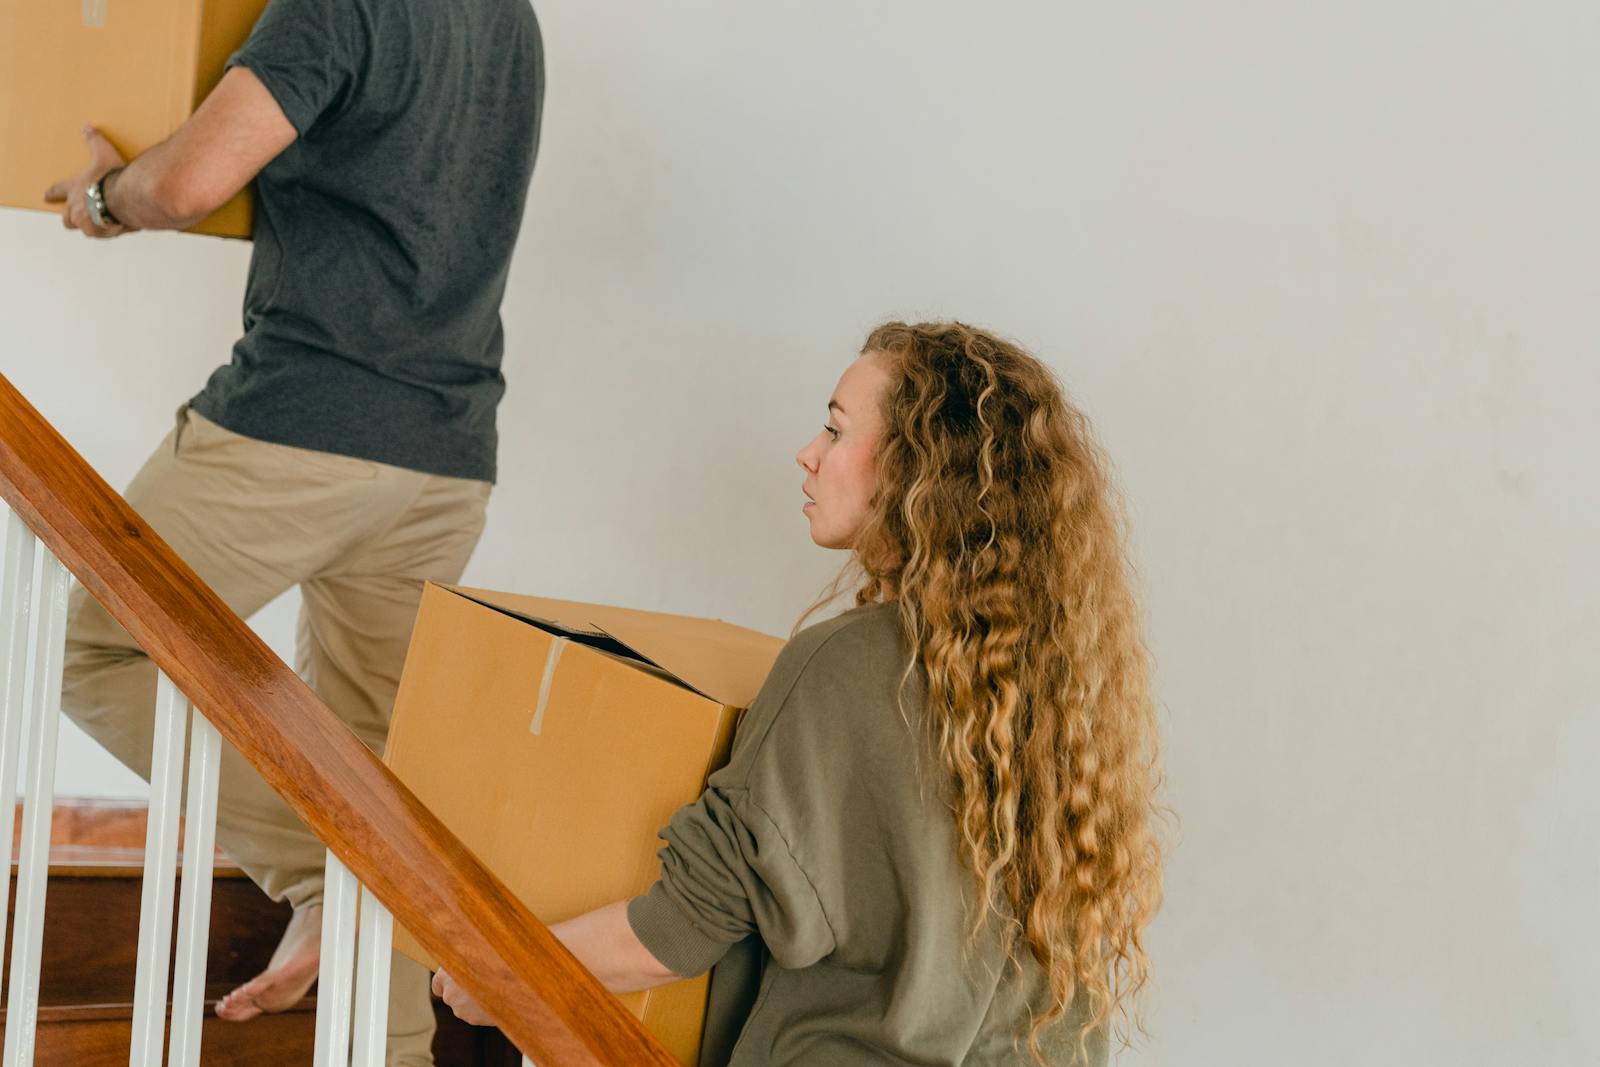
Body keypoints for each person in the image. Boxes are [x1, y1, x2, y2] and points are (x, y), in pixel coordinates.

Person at [435, 321, 1166, 1065]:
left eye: (834, 428)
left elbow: (682, 927)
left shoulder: (848, 660)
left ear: (918, 467)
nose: (807, 453)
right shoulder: (1051, 683)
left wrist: (488, 967)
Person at [43, 0, 544, 1060]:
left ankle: (329, 872)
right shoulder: (509, 19)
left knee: (97, 645)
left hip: (302, 427)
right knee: (379, 770)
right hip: (446, 451)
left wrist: (104, 196)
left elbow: (185, 183)